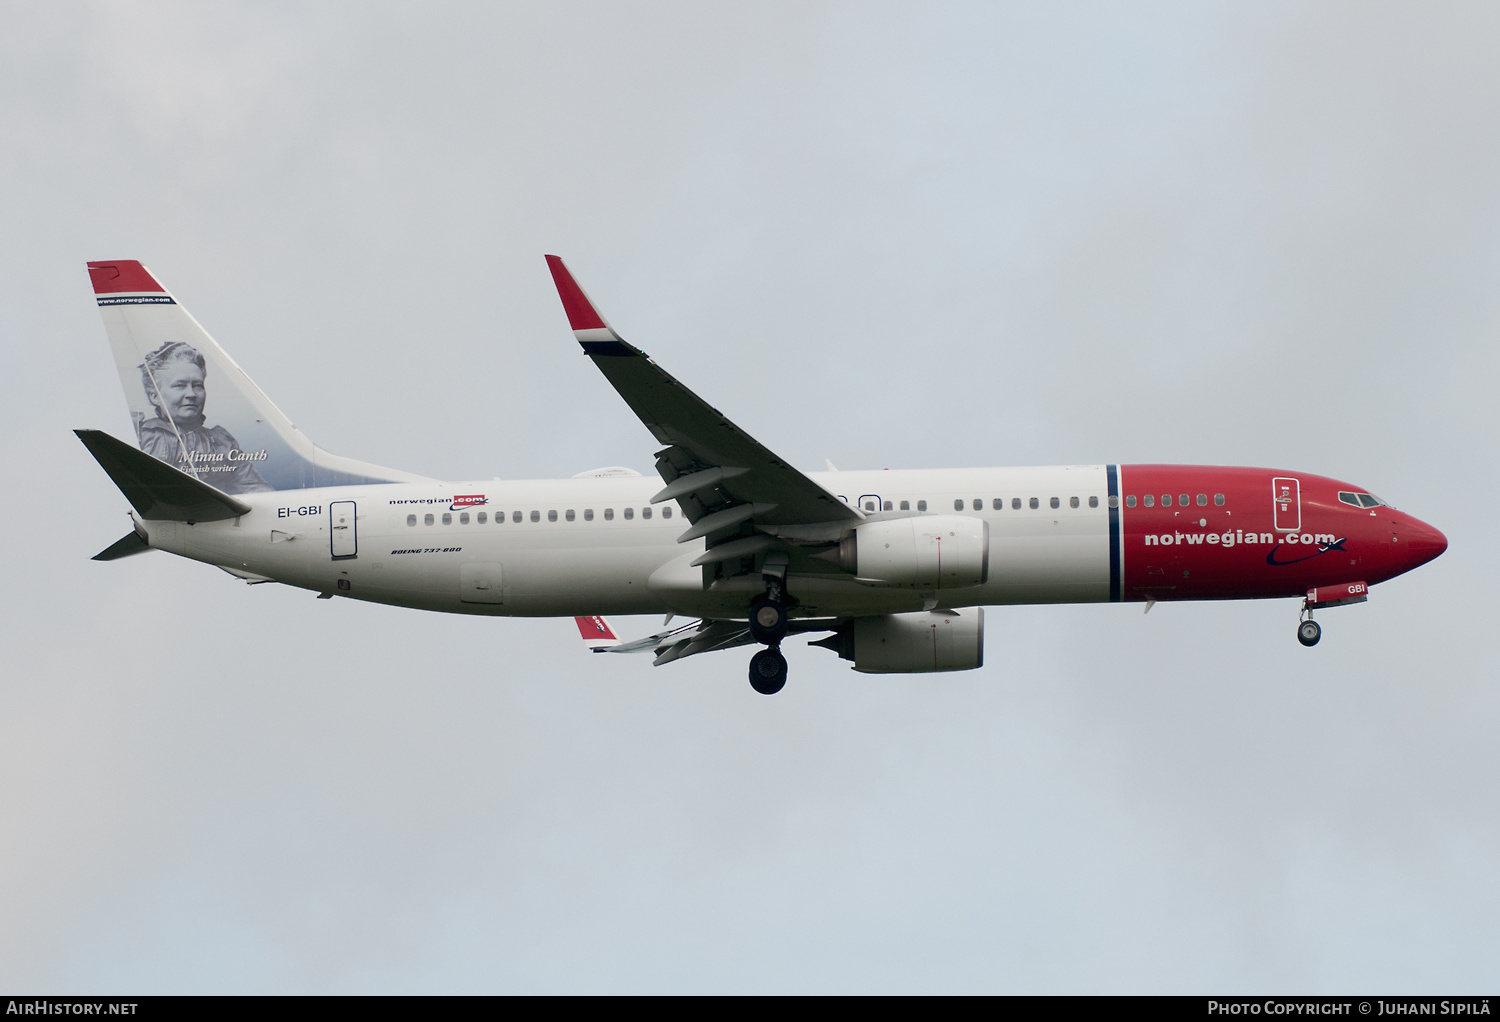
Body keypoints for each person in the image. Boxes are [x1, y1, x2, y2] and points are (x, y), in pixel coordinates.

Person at [134, 341, 273, 493]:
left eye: (198, 385)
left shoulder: (222, 442)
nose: (191, 394)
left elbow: (255, 489)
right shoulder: (144, 436)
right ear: (154, 396)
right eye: (180, 385)